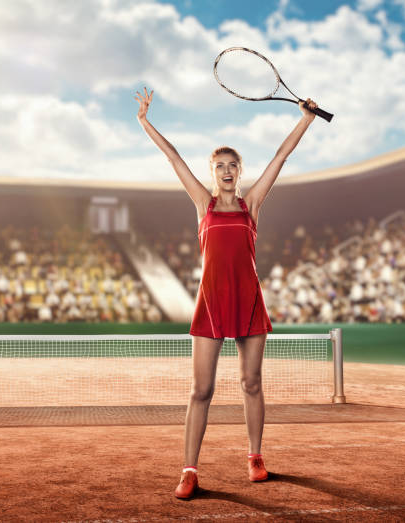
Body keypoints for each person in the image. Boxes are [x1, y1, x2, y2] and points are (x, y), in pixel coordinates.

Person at [135, 87, 318, 499]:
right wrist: (145, 122)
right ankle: (189, 471)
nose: (227, 170)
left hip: (249, 300)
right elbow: (174, 158)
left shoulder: (252, 204)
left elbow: (280, 157)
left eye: (233, 164)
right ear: (213, 172)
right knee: (201, 390)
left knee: (251, 383)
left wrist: (305, 119)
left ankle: (255, 457)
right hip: (212, 304)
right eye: (220, 165)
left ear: (240, 170)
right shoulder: (204, 205)